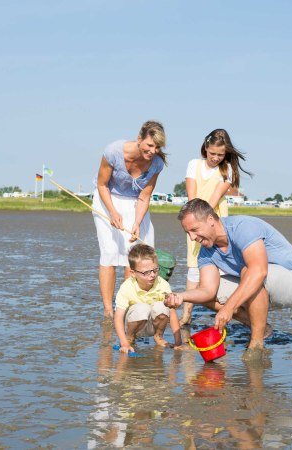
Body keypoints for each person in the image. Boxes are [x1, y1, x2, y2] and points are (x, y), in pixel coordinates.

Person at [165, 199, 292, 350]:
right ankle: (261, 328)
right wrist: (182, 296)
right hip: (260, 281)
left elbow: (258, 271)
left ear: (210, 220)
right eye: (187, 232)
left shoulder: (242, 227)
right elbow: (207, 291)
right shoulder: (205, 252)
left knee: (249, 272)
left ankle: (255, 346)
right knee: (202, 294)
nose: (192, 237)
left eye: (194, 230)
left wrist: (228, 308)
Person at [93, 121, 167, 318]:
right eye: (150, 145)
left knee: (133, 256)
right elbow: (102, 185)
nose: (153, 151)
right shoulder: (113, 151)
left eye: (157, 147)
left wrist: (136, 222)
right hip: (107, 200)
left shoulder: (157, 163)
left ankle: (129, 308)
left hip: (136, 204)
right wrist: (113, 212)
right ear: (140, 139)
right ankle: (109, 311)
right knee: (109, 254)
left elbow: (145, 195)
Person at [181, 129, 252, 325]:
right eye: (212, 153)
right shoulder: (194, 165)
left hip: (215, 220)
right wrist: (194, 224)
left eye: (220, 155)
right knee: (194, 267)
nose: (215, 158)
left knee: (219, 265)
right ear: (205, 148)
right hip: (196, 220)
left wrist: (202, 221)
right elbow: (192, 197)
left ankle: (228, 310)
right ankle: (186, 314)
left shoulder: (226, 169)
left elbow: (212, 201)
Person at [114, 244, 182, 353]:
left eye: (155, 270)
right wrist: (124, 342)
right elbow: (118, 317)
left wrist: (178, 342)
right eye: (146, 272)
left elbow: (172, 313)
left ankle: (158, 337)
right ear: (133, 273)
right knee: (142, 308)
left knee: (162, 306)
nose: (152, 275)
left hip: (153, 325)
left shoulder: (162, 284)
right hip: (133, 324)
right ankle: (130, 338)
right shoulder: (127, 287)